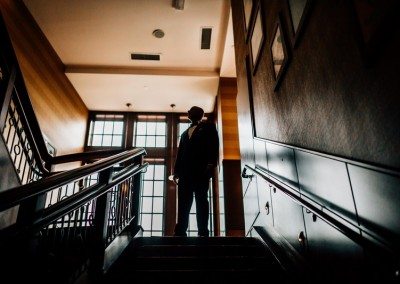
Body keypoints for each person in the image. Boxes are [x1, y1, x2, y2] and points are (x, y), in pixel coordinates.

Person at [172, 106, 219, 237]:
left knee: (201, 201)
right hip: (184, 174)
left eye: (190, 110)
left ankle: (203, 232)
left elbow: (214, 146)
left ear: (198, 114)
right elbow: (180, 154)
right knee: (183, 203)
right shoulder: (184, 134)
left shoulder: (209, 127)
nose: (187, 112)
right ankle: (180, 231)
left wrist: (210, 165)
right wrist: (176, 172)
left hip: (201, 172)